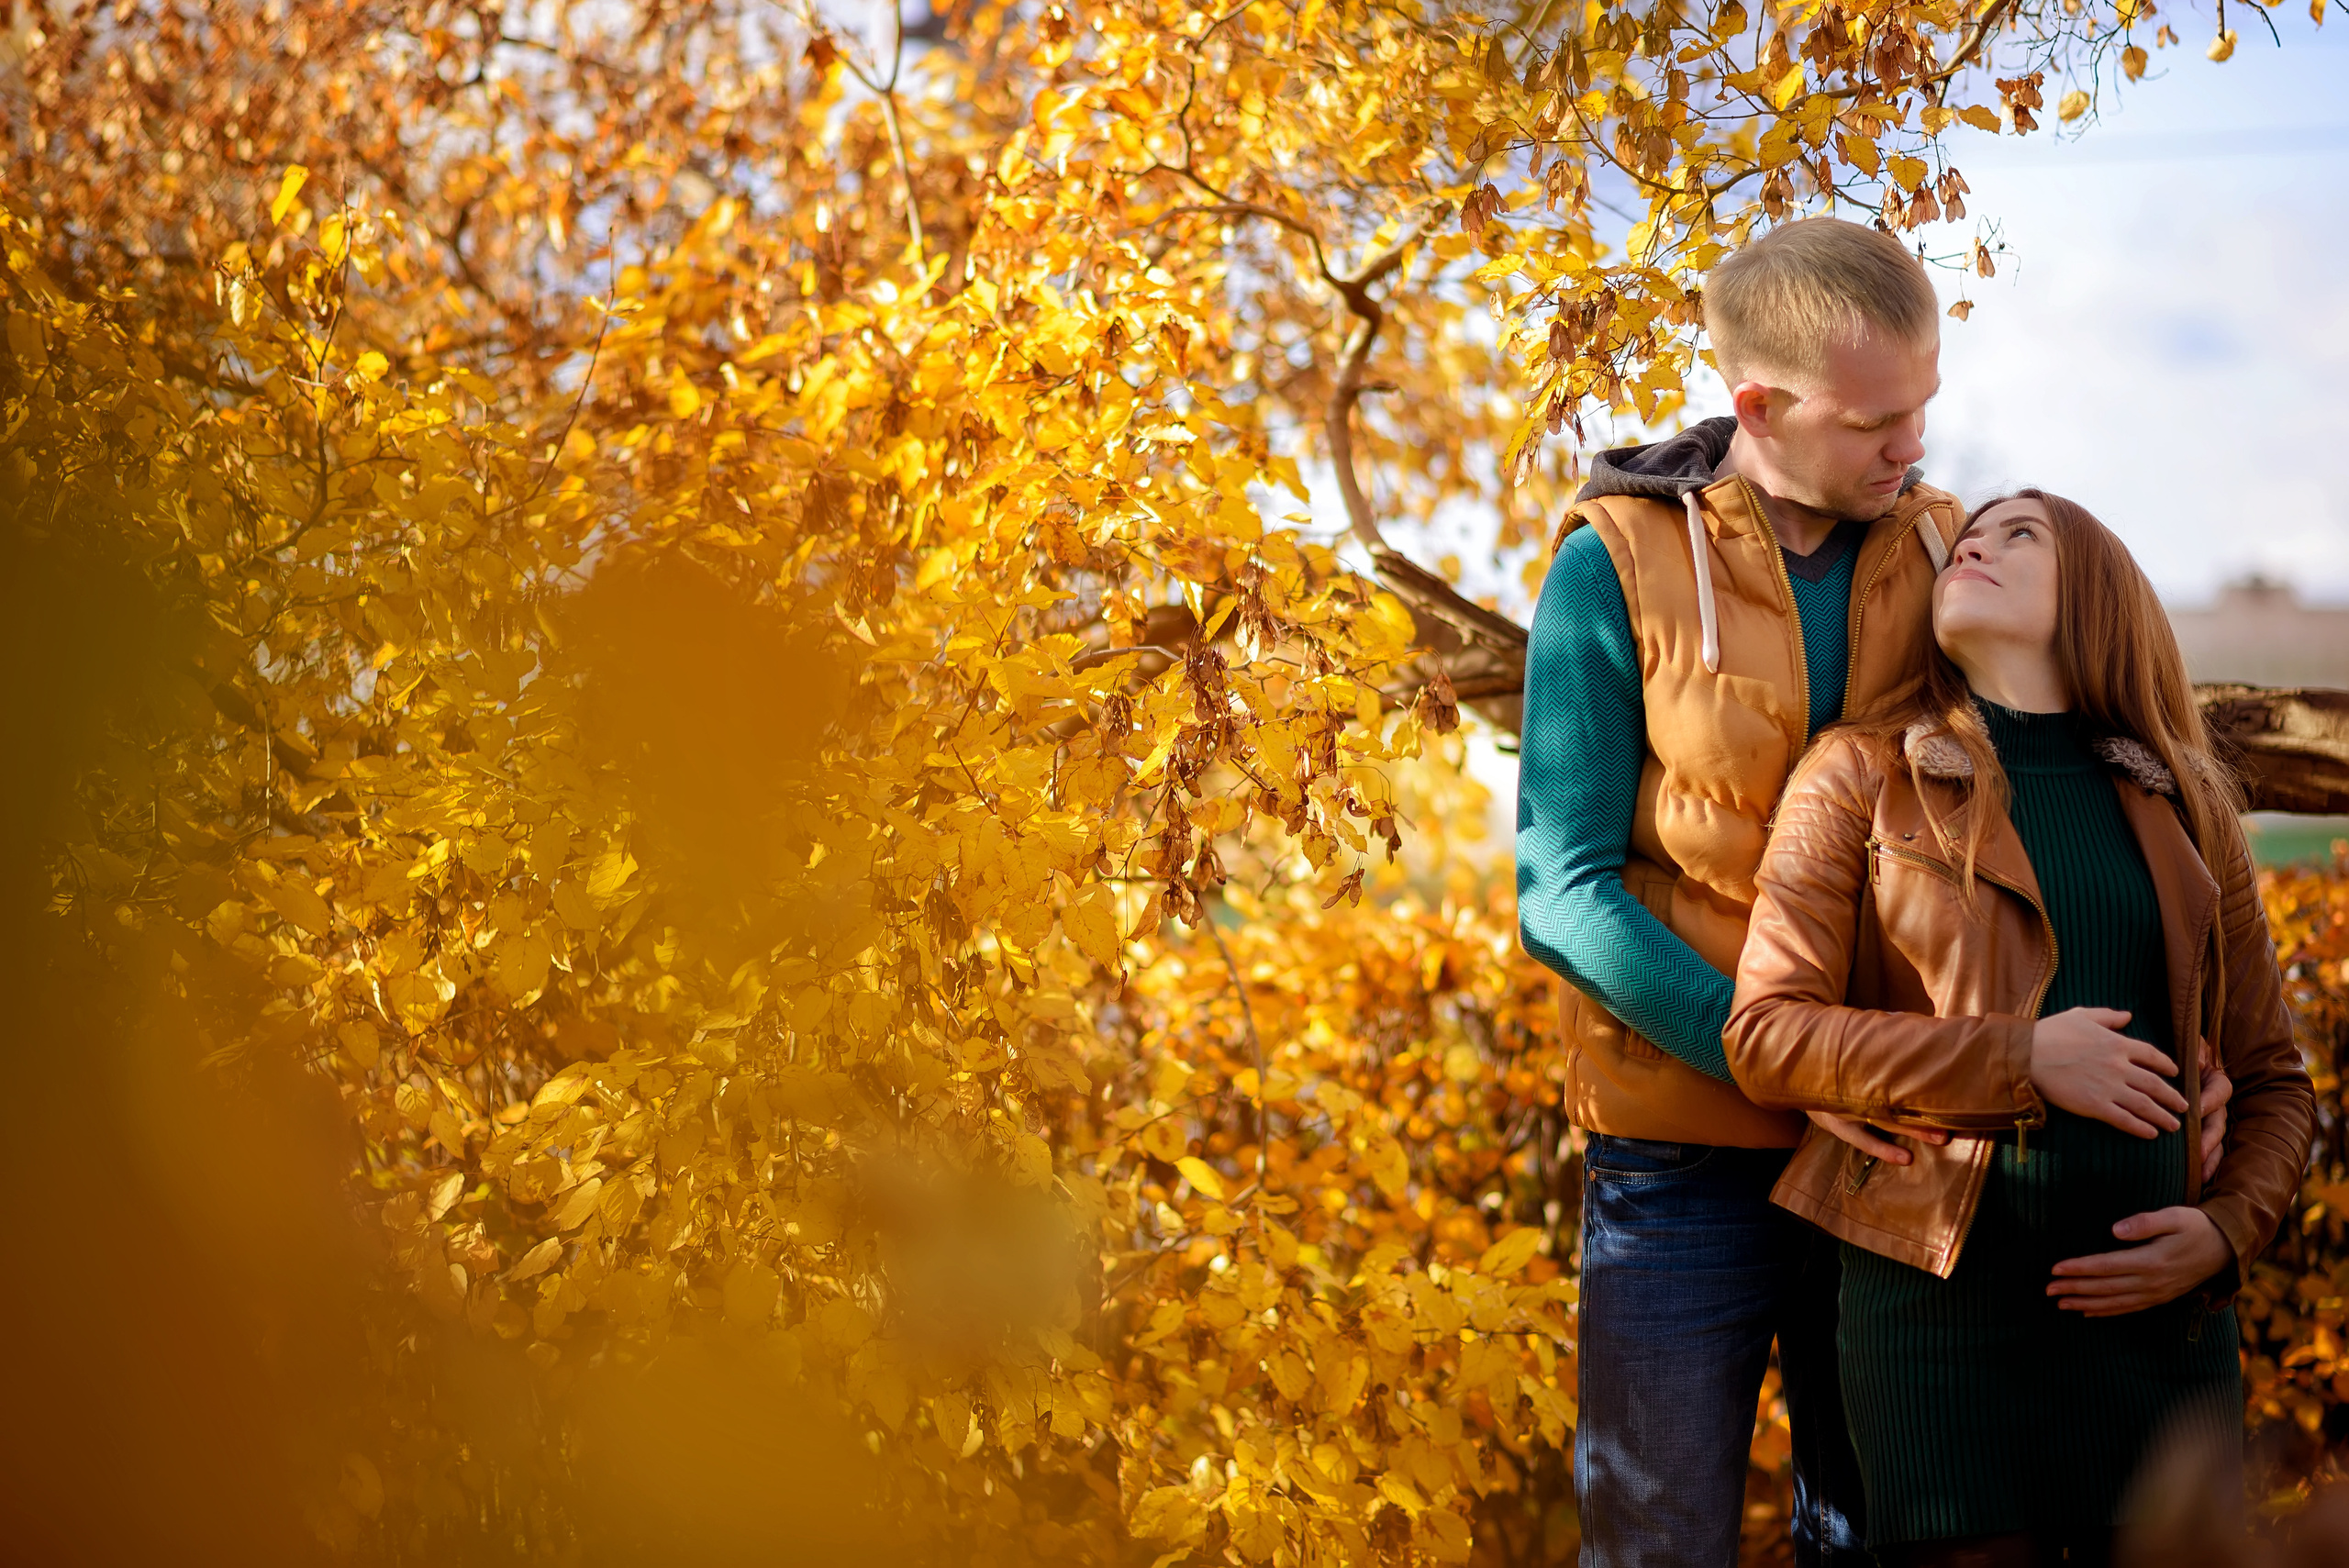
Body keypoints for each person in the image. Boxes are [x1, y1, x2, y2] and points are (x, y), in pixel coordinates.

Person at [1722, 491, 2315, 1565]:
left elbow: (2274, 1078)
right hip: (1939, 1329)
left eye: (2020, 533)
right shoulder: (1858, 773)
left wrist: (2226, 1232)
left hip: (2163, 1338)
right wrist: (2021, 1058)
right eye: (1973, 534)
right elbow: (1766, 1032)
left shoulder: (2189, 801)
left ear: (2093, 592)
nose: (1978, 543)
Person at [1517, 216, 1966, 1567]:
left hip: (1896, 1151)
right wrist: (1776, 1059)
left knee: (1880, 1535)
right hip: (1678, 1166)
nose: (1913, 448)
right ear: (1758, 405)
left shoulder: (1957, 552)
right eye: (1874, 420)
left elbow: (2067, 801)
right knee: (1657, 1542)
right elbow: (1562, 886)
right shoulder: (1615, 560)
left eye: (1926, 406)